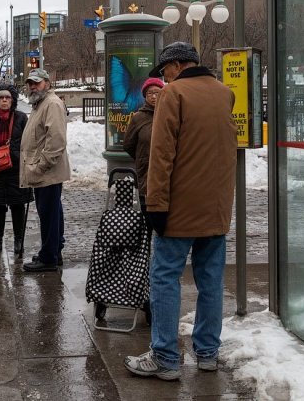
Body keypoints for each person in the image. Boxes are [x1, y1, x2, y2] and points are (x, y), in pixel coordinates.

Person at [124, 42, 237, 381]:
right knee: (211, 283)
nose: (164, 77)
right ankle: (207, 353)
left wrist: (155, 206)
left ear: (176, 65)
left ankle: (165, 358)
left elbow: (161, 157)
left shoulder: (174, 95)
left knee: (164, 280)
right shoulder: (223, 93)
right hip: (215, 211)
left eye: (165, 71)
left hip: (178, 212)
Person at [19, 68, 71, 272]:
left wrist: (40, 166)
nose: (33, 86)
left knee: (48, 214)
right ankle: (53, 251)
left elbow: (56, 141)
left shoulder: (51, 104)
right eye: (30, 83)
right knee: (52, 213)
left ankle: (48, 257)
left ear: (47, 83)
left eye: (37, 82)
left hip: (46, 171)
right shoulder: (40, 104)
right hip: (44, 171)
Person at [0, 83, 32, 257]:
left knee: (17, 206)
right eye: (1, 97)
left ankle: (18, 240)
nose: (4, 100)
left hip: (16, 169)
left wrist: (19, 158)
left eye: (7, 97)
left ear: (13, 100)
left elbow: (28, 141)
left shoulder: (21, 118)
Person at [123, 77, 165, 213]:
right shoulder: (138, 117)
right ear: (145, 96)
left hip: (166, 168)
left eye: (157, 93)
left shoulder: (169, 114)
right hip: (145, 170)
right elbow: (128, 144)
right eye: (149, 94)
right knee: (147, 209)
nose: (153, 97)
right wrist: (142, 157)